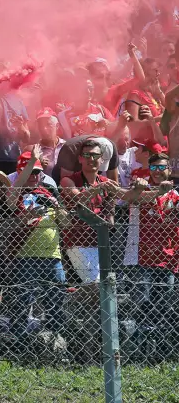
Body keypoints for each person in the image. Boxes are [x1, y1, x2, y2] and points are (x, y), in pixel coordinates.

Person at [9, 147, 71, 352]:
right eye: (30, 172)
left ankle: (55, 343)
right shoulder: (15, 193)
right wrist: (31, 162)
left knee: (56, 301)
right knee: (22, 303)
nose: (35, 177)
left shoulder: (48, 192)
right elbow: (12, 196)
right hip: (25, 257)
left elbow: (66, 222)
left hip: (53, 257)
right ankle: (19, 344)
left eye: (38, 172)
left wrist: (56, 205)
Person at [119, 151, 178, 359]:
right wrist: (156, 193)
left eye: (162, 168)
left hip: (167, 259)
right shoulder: (141, 186)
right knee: (141, 305)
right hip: (140, 258)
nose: (158, 172)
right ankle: (137, 354)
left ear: (169, 170)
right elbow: (129, 198)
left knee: (162, 307)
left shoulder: (176, 195)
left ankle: (158, 354)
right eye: (154, 168)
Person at [60, 138, 118, 284]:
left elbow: (122, 198)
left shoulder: (105, 182)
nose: (91, 159)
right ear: (80, 159)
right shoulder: (68, 180)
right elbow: (78, 198)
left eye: (95, 156)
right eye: (87, 155)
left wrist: (139, 189)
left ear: (101, 159)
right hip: (78, 242)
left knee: (99, 285)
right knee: (96, 284)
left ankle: (74, 301)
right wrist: (98, 188)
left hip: (101, 242)